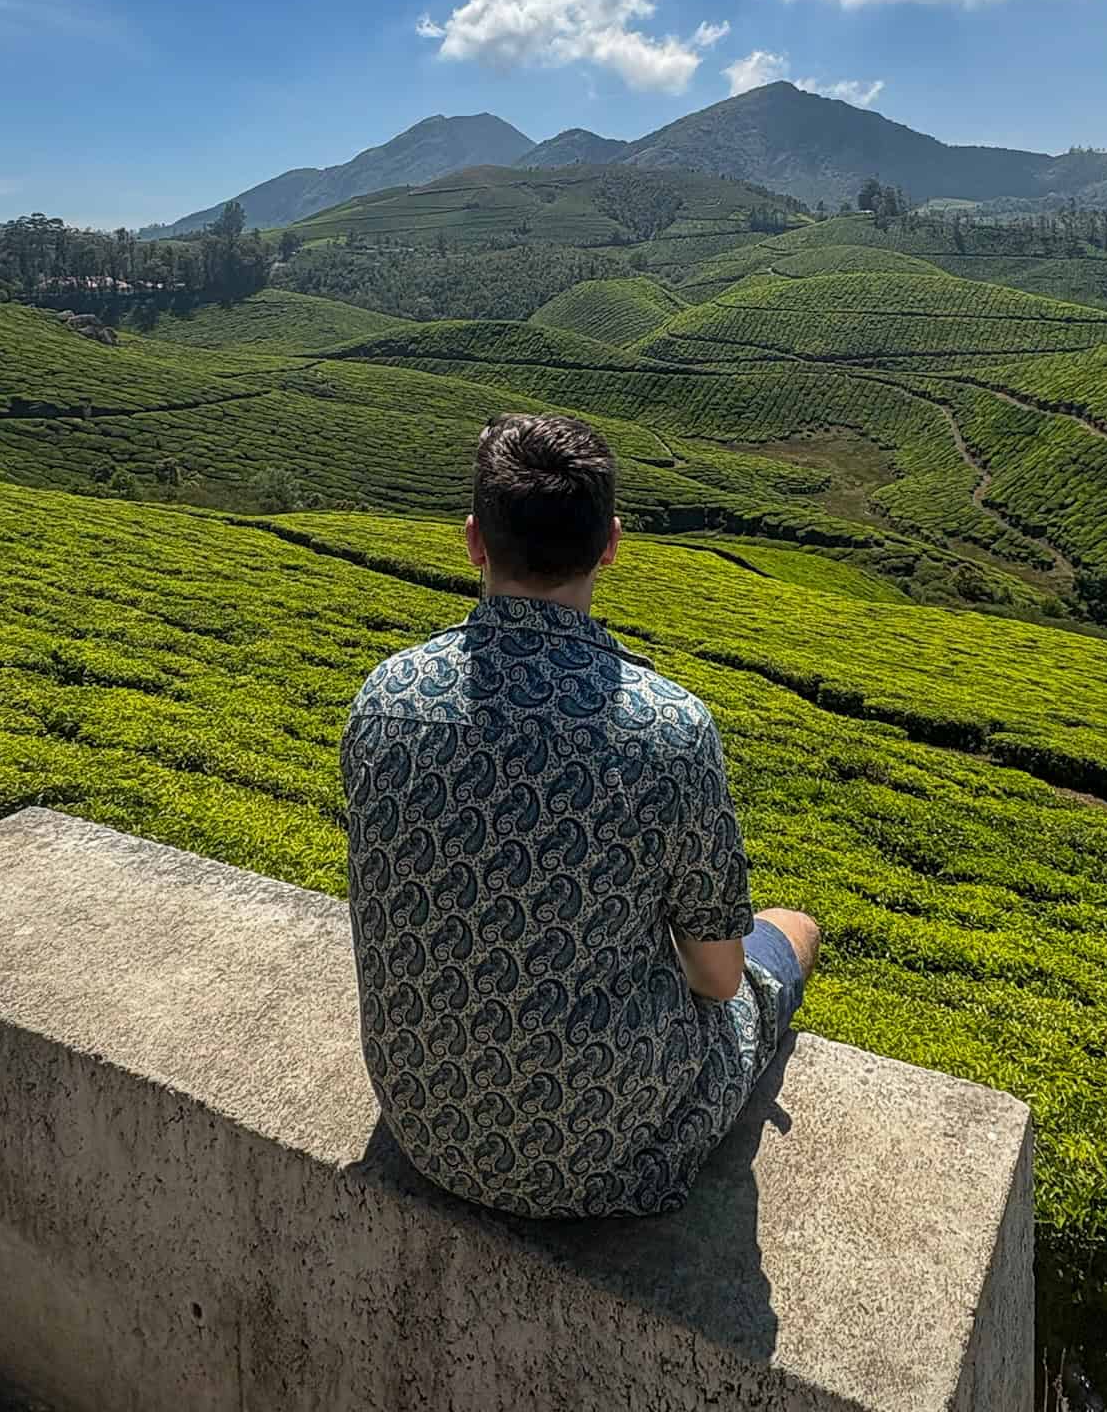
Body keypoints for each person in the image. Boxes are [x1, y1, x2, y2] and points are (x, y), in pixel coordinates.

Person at [341, 411, 820, 1220]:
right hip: (604, 1153)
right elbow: (716, 976)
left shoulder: (386, 699)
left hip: (425, 1125)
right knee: (790, 932)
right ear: (611, 545)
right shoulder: (668, 728)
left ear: (473, 541)